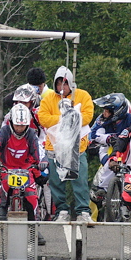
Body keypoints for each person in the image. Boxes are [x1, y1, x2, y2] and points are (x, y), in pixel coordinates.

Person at [38, 65, 94, 223]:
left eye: (64, 83)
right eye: (58, 84)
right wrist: (65, 118)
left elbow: (88, 115)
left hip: (77, 147)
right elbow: (44, 118)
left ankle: (83, 211)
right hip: (55, 148)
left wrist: (70, 118)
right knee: (56, 181)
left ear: (71, 83)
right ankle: (62, 210)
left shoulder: (82, 96)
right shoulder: (48, 99)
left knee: (80, 180)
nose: (61, 87)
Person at [0, 104, 48, 238]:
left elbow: (39, 149)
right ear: (11, 123)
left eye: (23, 125)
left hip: (26, 169)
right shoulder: (4, 131)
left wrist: (43, 161)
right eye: (17, 125)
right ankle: (3, 206)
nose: (20, 128)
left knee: (31, 197)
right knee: (5, 186)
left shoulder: (31, 134)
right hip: (8, 168)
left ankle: (34, 228)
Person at [89, 93, 131, 202]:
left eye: (107, 111)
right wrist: (108, 138)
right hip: (108, 150)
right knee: (110, 164)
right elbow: (93, 135)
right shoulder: (101, 119)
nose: (104, 113)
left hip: (127, 151)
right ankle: (101, 188)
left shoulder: (129, 119)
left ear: (117, 112)